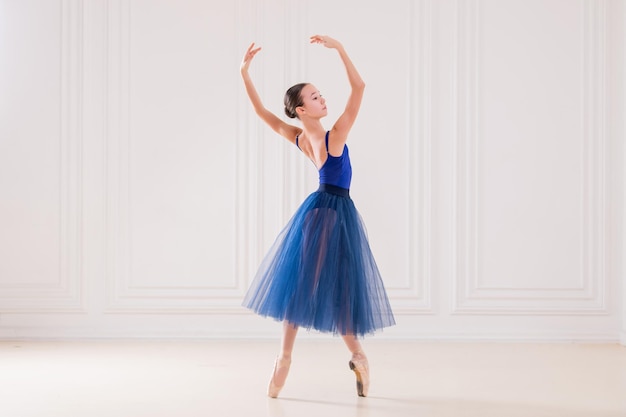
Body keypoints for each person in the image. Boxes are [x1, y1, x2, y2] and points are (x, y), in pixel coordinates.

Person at [240, 35, 395, 398]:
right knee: (337, 289)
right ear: (301, 109)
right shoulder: (334, 138)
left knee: (303, 285)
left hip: (317, 214)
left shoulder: (301, 138)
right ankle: (354, 354)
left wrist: (244, 72)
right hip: (335, 215)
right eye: (314, 96)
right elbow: (359, 87)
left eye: (320, 93)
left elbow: (262, 113)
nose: (322, 98)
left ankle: (286, 359)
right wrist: (341, 49)